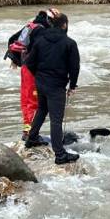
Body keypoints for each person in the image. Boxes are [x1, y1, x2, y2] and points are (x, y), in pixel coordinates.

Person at [24, 14, 81, 165]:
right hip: (56, 86)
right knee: (56, 120)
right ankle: (60, 154)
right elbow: (74, 67)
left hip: (41, 83)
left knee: (42, 110)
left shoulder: (41, 40)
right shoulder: (69, 43)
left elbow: (29, 62)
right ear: (64, 25)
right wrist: (72, 85)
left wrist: (39, 75)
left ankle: (31, 138)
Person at [5, 8, 61, 141]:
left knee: (26, 99)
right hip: (33, 69)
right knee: (33, 100)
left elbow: (12, 39)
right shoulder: (41, 30)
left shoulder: (31, 25)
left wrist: (15, 59)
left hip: (25, 67)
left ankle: (27, 130)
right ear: (51, 20)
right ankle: (30, 133)